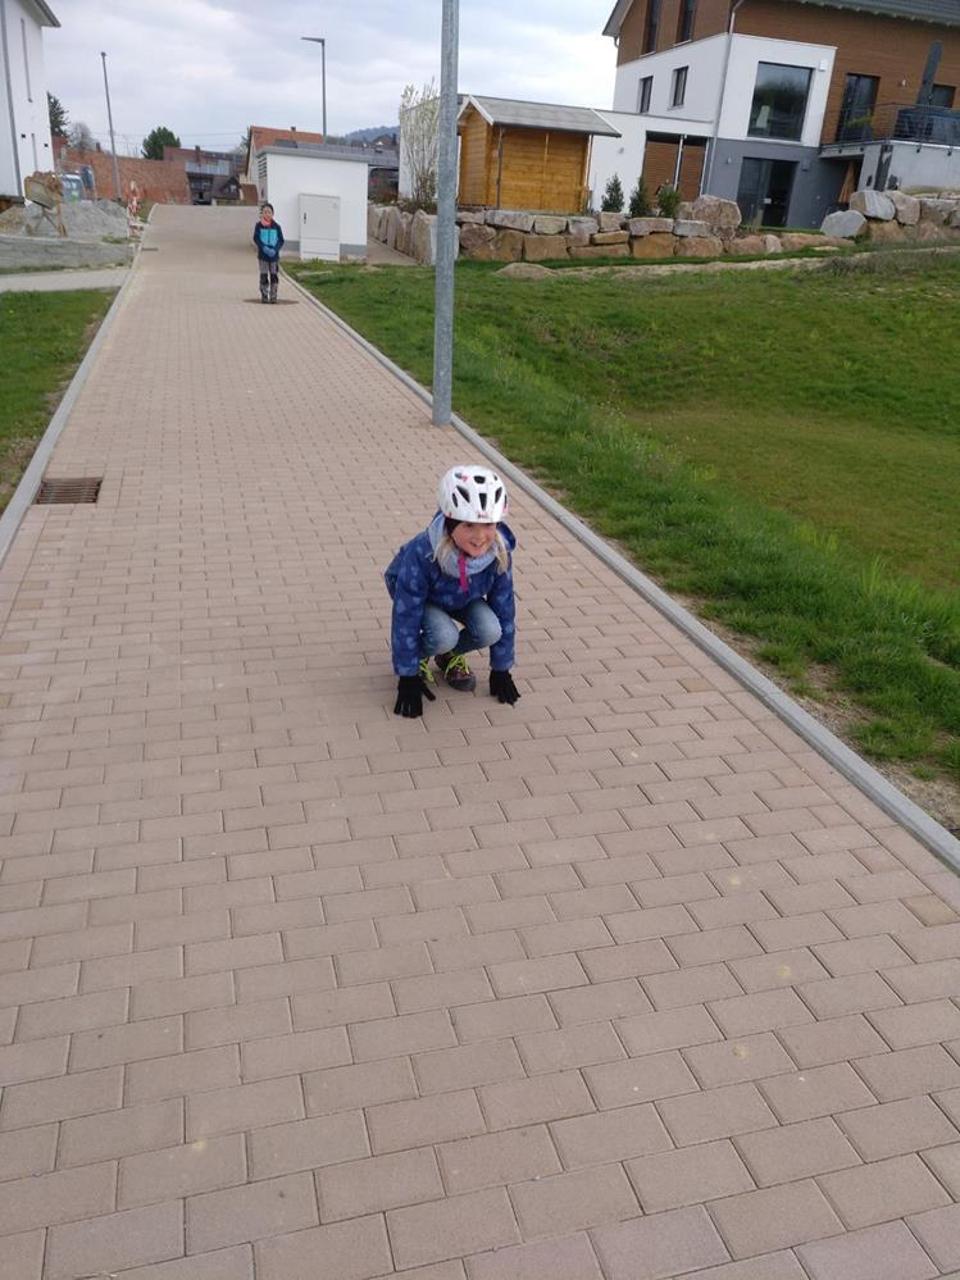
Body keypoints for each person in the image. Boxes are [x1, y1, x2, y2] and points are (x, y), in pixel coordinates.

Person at [385, 465, 521, 718]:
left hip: (462, 593)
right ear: (450, 522)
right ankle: (420, 658)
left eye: (488, 525)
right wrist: (407, 675)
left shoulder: (498, 553)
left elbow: (504, 609)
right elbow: (406, 616)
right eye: (468, 525)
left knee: (491, 629)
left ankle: (448, 656)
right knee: (443, 634)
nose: (480, 537)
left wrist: (501, 669)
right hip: (421, 596)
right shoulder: (423, 552)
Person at [252, 203, 284, 303]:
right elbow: (256, 238)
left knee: (274, 276)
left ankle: (273, 296)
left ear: (272, 214)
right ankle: (264, 295)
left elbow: (281, 240)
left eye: (269, 212)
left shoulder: (277, 226)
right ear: (262, 214)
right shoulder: (259, 226)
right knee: (264, 275)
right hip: (263, 256)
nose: (267, 214)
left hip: (274, 256)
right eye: (265, 212)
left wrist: (275, 249)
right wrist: (263, 247)